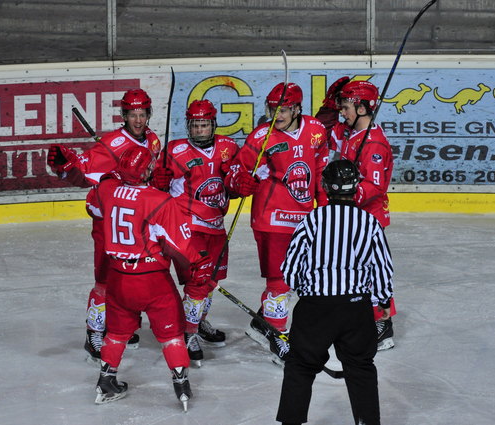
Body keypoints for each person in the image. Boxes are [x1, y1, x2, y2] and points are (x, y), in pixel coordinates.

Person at [93, 145, 215, 410]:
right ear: (147, 170)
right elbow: (180, 245)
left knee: (115, 333)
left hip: (118, 277)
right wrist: (200, 263)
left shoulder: (107, 190)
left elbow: (98, 193)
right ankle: (181, 387)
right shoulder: (159, 200)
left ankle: (106, 382)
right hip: (152, 280)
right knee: (171, 335)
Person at [46, 89, 162, 362]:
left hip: (139, 221)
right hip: (110, 221)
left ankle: (119, 325)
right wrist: (65, 166)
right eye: (132, 114)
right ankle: (94, 332)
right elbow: (81, 172)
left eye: (142, 114)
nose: (138, 119)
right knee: (106, 280)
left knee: (132, 276)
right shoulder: (110, 144)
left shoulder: (154, 141)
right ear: (124, 115)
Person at [276, 159, 394, 425]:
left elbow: (291, 269)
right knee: (361, 367)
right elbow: (382, 267)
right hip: (355, 308)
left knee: (300, 366)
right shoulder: (369, 222)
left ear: (326, 186)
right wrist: (383, 299)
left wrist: (307, 291)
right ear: (356, 188)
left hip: (315, 309)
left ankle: (291, 423)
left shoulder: (312, 221)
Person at [224, 82, 329, 363]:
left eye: (283, 109)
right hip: (272, 217)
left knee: (299, 280)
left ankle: (262, 324)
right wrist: (239, 181)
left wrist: (325, 206)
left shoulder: (316, 130)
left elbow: (319, 169)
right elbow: (235, 169)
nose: (277, 115)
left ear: (297, 108)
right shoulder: (262, 135)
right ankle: (279, 338)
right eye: (273, 109)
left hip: (305, 217)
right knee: (279, 282)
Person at [150, 99, 239, 366]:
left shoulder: (228, 147)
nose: (200, 130)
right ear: (188, 126)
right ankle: (188, 333)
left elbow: (234, 181)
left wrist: (239, 184)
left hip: (216, 226)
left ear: (213, 125)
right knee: (197, 283)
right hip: (189, 228)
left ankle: (196, 322)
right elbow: (154, 188)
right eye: (195, 125)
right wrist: (159, 180)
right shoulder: (175, 150)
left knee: (210, 282)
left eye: (204, 125)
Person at [331, 79, 397, 350]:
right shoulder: (351, 134)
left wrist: (346, 196)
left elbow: (375, 185)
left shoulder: (374, 144)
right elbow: (329, 130)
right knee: (355, 272)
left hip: (368, 219)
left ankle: (383, 324)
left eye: (346, 107)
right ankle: (360, 319)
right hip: (354, 217)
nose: (342, 112)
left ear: (362, 108)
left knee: (373, 272)